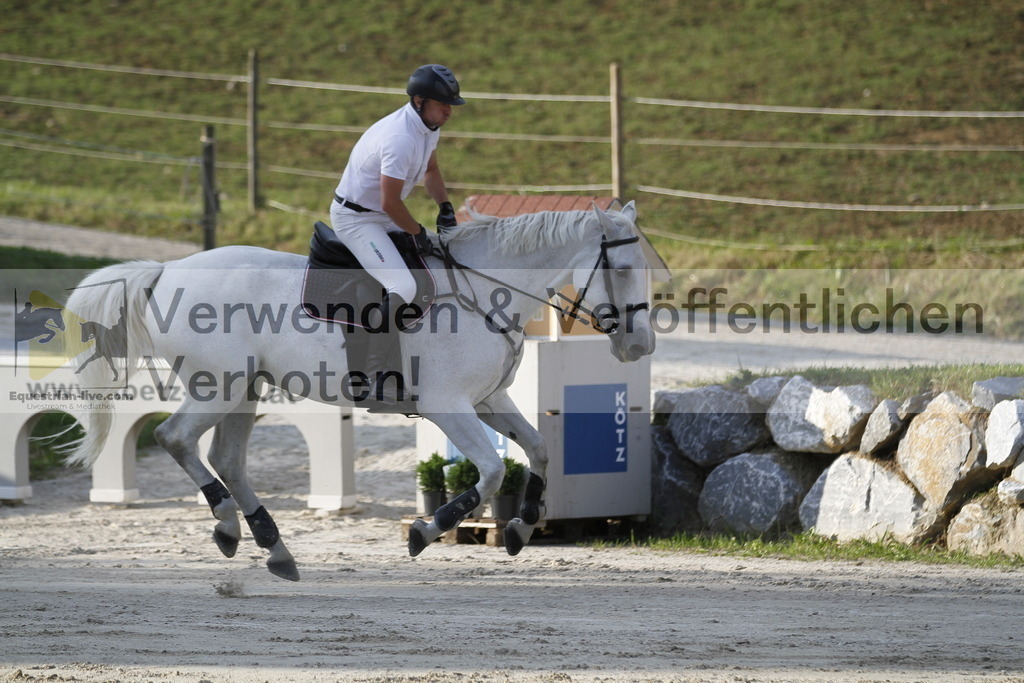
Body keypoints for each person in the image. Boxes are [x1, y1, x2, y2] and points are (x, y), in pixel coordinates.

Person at [330, 64, 464, 402]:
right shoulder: (399, 139)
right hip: (357, 219)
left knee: (436, 263)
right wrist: (417, 231)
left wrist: (445, 206)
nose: (449, 111)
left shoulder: (428, 126)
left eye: (450, 105)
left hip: (382, 213)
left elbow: (431, 169)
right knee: (402, 284)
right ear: (419, 101)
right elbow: (391, 203)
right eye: (442, 104)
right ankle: (376, 376)